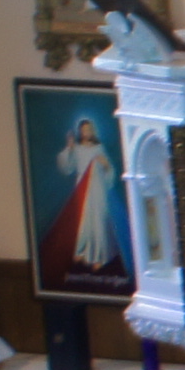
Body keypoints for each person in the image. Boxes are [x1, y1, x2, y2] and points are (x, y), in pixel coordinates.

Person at [48, 113, 124, 286]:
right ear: (80, 132)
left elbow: (109, 170)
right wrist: (69, 148)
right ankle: (83, 252)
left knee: (99, 222)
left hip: (98, 190)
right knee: (84, 222)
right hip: (83, 189)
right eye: (84, 130)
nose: (87, 132)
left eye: (89, 130)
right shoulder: (77, 149)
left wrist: (106, 165)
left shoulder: (99, 148)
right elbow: (68, 167)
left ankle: (99, 257)